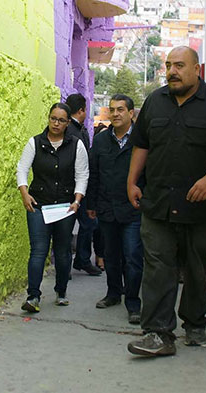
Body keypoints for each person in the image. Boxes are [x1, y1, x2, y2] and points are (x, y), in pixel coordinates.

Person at [125, 47, 206, 357]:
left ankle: (194, 325)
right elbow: (141, 144)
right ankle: (157, 334)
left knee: (195, 268)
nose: (172, 71)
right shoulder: (155, 102)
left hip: (199, 205)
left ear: (196, 69)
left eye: (179, 65)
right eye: (168, 65)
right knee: (158, 267)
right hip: (158, 201)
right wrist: (132, 181)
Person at [16, 102, 89, 312]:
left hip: (65, 207)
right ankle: (33, 297)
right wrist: (24, 193)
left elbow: (82, 175)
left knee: (63, 251)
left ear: (68, 123)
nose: (56, 123)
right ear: (48, 118)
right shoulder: (35, 143)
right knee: (38, 251)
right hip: (38, 204)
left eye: (61, 120)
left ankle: (61, 291)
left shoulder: (76, 145)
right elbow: (22, 169)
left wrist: (77, 200)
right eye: (53, 118)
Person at [86, 94, 144, 324]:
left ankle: (132, 302)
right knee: (111, 255)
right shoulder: (101, 141)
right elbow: (94, 174)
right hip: (107, 207)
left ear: (131, 113)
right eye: (112, 110)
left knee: (132, 256)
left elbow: (148, 174)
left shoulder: (142, 140)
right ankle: (113, 293)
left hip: (133, 208)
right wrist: (91, 204)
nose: (116, 114)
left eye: (121, 109)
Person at [65, 93, 103, 276]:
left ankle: (81, 259)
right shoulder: (73, 131)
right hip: (75, 188)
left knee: (88, 223)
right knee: (85, 224)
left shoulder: (76, 129)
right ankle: (80, 260)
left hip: (77, 186)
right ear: (81, 110)